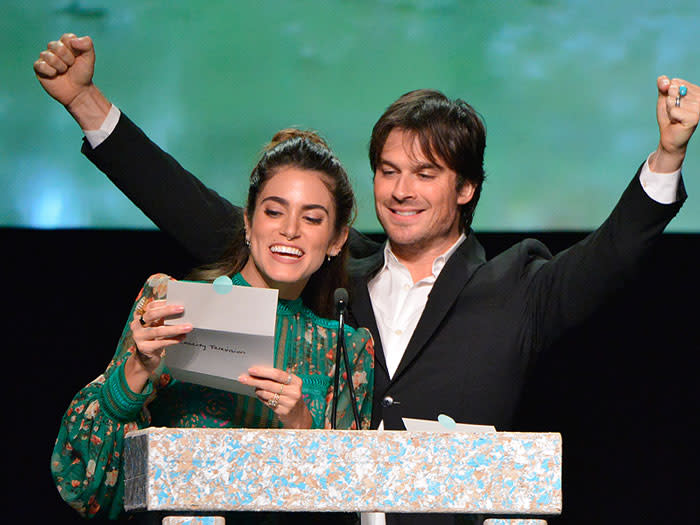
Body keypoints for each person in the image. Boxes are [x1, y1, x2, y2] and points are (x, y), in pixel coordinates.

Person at [36, 34, 698, 525]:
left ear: (466, 187)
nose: (401, 191)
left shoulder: (518, 286)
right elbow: (191, 207)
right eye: (387, 170)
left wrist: (668, 155)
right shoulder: (329, 268)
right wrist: (88, 105)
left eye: (425, 172)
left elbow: (611, 255)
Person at [48, 121, 375, 520]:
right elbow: (84, 484)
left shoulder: (343, 347)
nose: (289, 230)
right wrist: (135, 372)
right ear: (248, 221)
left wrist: (301, 425)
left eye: (312, 219)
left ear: (337, 239)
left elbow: (350, 500)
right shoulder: (172, 305)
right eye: (274, 211)